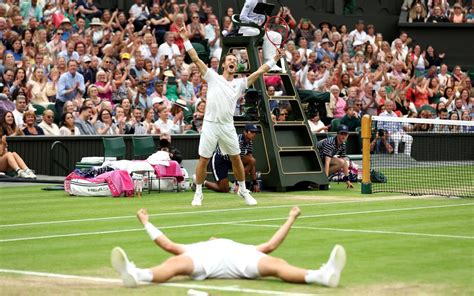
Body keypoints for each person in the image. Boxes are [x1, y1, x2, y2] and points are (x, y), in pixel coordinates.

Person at [178, 24, 284, 206]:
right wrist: (185, 39)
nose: (232, 61)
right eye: (229, 59)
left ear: (236, 65)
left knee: (236, 158)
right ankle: (198, 193)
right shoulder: (212, 76)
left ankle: (243, 190)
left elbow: (259, 72)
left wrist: (274, 59)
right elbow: (195, 58)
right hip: (210, 124)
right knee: (203, 159)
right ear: (224, 64)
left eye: (235, 60)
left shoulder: (240, 83)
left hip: (227, 126)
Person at [111, 207, 346, 288]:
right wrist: (145, 222)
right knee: (174, 264)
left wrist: (291, 218)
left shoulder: (242, 247)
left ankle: (322, 276)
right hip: (210, 261)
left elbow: (273, 244)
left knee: (278, 265)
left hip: (238, 260)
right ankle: (136, 274)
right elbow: (168, 245)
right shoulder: (199, 247)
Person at [239, 0, 283, 71]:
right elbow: (242, 17)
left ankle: (272, 62)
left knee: (277, 36)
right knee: (263, 34)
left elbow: (262, 18)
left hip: (258, 29)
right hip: (247, 28)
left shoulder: (263, 1)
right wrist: (255, 23)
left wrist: (263, 25)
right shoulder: (250, 1)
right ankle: (268, 63)